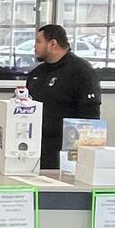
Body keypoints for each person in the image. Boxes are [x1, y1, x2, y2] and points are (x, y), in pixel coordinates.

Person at [26, 23, 101, 170]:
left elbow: (90, 117)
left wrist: (83, 161)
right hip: (36, 147)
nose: (35, 46)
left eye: (39, 41)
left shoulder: (81, 71)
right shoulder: (37, 73)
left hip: (65, 150)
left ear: (53, 44)